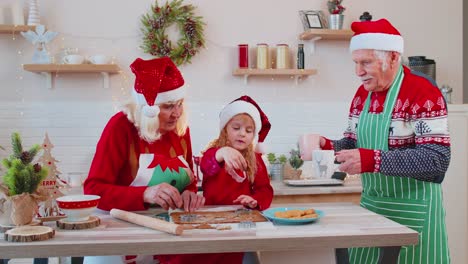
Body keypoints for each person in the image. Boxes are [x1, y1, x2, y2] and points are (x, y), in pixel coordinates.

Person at [317, 19, 451, 263]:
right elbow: (351, 144)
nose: (358, 72)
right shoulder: (362, 95)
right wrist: (325, 146)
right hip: (373, 213)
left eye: (366, 62)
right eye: (356, 63)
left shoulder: (423, 93)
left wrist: (371, 160)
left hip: (413, 214)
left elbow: (436, 160)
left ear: (392, 57)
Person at [83, 57, 205, 264]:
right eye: (168, 106)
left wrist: (189, 193)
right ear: (148, 108)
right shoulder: (120, 127)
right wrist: (145, 193)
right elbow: (93, 190)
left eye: (180, 104)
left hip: (165, 234)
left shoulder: (180, 130)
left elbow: (189, 179)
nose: (177, 113)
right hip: (118, 237)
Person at [160, 95, 274, 264]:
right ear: (225, 130)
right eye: (236, 128)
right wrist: (221, 154)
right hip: (210, 218)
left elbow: (265, 190)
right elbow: (206, 165)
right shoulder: (213, 152)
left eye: (248, 131)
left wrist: (254, 200)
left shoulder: (256, 161)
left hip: (238, 221)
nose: (242, 133)